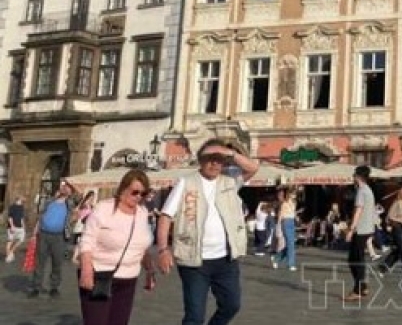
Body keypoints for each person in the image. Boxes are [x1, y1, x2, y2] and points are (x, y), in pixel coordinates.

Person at [156, 139, 260, 325]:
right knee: (195, 316)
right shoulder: (186, 183)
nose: (214, 163)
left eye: (219, 159)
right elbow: (165, 216)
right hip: (194, 260)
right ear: (200, 160)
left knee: (231, 305)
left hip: (225, 260)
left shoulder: (230, 180)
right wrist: (163, 249)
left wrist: (229, 153)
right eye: (209, 158)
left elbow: (253, 168)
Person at [78, 169, 157, 325]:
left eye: (143, 193)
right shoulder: (104, 208)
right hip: (99, 275)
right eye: (135, 192)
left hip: (129, 279)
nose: (139, 197)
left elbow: (141, 246)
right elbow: (87, 240)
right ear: (123, 188)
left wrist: (150, 270)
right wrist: (86, 270)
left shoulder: (142, 212)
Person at [28, 180, 77, 299]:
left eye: (68, 187)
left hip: (59, 236)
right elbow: (40, 216)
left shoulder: (70, 203)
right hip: (43, 234)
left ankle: (54, 287)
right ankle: (36, 287)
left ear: (71, 191)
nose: (65, 188)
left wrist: (75, 217)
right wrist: (35, 232)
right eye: (64, 186)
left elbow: (77, 204)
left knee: (57, 263)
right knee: (39, 262)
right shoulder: (49, 200)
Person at [345, 165, 377, 301]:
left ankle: (358, 289)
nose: (353, 178)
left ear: (358, 177)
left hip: (360, 229)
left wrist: (351, 230)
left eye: (354, 175)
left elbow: (358, 211)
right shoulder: (369, 190)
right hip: (367, 228)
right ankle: (362, 286)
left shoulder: (361, 191)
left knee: (354, 259)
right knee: (358, 259)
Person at [379, 185, 402, 279]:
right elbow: (389, 217)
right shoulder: (397, 203)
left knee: (398, 251)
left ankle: (383, 267)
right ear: (400, 194)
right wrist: (400, 220)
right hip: (398, 228)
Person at [272, 188, 300, 271]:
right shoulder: (284, 203)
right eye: (293, 194)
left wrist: (296, 217)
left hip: (291, 222)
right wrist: (278, 225)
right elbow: (280, 215)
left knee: (290, 244)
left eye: (295, 194)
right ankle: (291, 264)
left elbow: (293, 212)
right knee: (290, 244)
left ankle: (276, 258)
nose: (294, 195)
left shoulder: (294, 203)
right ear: (289, 194)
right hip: (285, 222)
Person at [71, 191, 98, 264]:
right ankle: (74, 257)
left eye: (93, 197)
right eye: (91, 197)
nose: (92, 198)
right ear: (88, 196)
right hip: (81, 225)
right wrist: (79, 214)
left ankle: (77, 256)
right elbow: (76, 211)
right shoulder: (84, 204)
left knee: (82, 241)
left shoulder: (91, 206)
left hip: (87, 225)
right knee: (79, 241)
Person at [5, 196, 26, 263]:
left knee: (21, 240)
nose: (23, 200)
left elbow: (21, 218)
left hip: (20, 227)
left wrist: (23, 227)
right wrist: (12, 226)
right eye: (22, 199)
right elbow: (10, 217)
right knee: (10, 241)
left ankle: (11, 251)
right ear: (18, 199)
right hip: (12, 227)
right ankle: (8, 256)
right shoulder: (12, 207)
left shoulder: (22, 207)